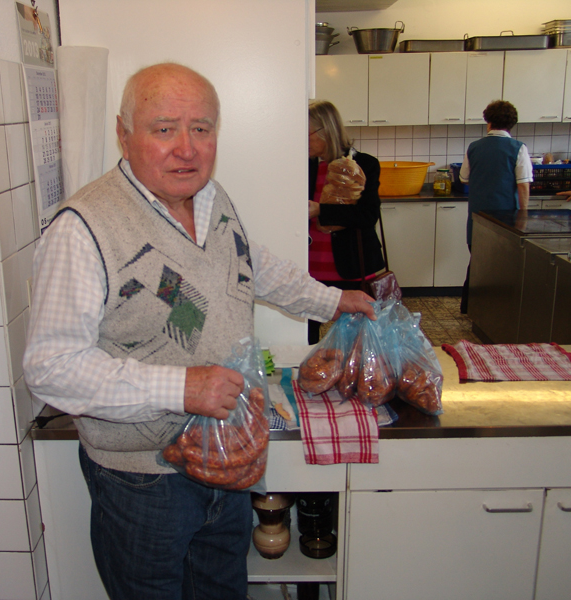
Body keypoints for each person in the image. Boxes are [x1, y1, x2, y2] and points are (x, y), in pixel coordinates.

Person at [22, 63, 374, 600]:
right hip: (144, 483)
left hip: (227, 459)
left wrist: (333, 299)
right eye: (164, 128)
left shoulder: (212, 198)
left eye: (201, 128)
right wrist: (181, 388)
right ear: (124, 134)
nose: (186, 148)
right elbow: (51, 368)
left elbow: (252, 263)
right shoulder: (83, 228)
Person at [307, 100, 384, 343]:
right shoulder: (301, 167)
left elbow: (367, 215)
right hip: (309, 269)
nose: (302, 140)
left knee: (357, 342)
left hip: (351, 266)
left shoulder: (363, 165)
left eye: (307, 133)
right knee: (306, 340)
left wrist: (321, 210)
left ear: (326, 131)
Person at [458, 99, 533, 313]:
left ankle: (470, 307)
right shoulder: (518, 148)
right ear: (512, 124)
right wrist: (524, 216)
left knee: (478, 261)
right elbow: (523, 185)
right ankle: (498, 309)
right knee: (502, 267)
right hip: (506, 219)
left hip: (477, 217)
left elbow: (464, 178)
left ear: (488, 122)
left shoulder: (474, 147)